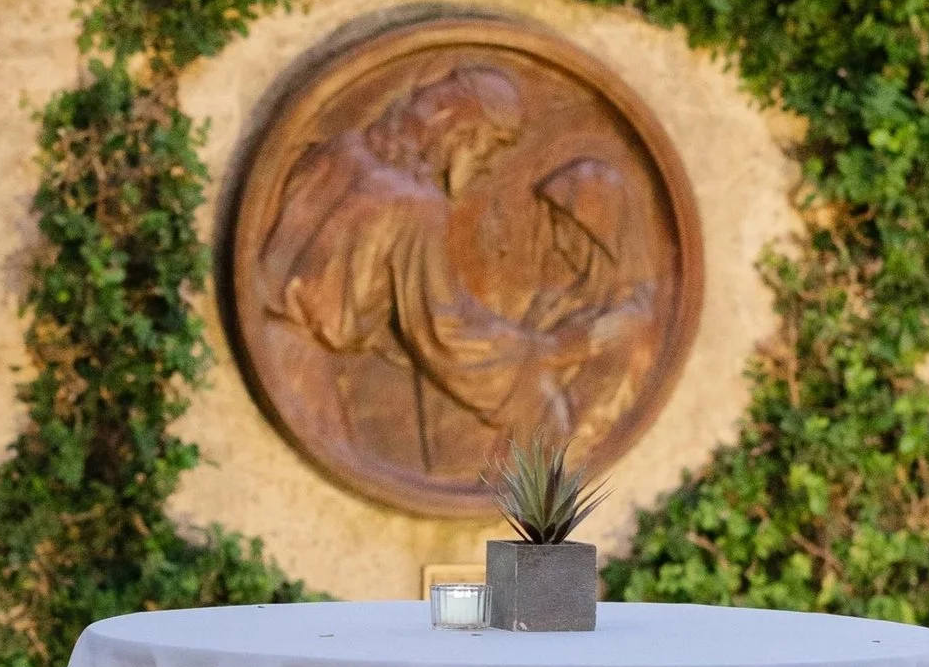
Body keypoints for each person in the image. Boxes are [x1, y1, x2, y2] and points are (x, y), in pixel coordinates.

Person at [259, 64, 649, 464]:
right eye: (491, 146)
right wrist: (557, 347)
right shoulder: (415, 205)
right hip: (300, 373)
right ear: (462, 130)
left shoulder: (342, 148)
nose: (486, 165)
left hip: (266, 343)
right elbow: (447, 330)